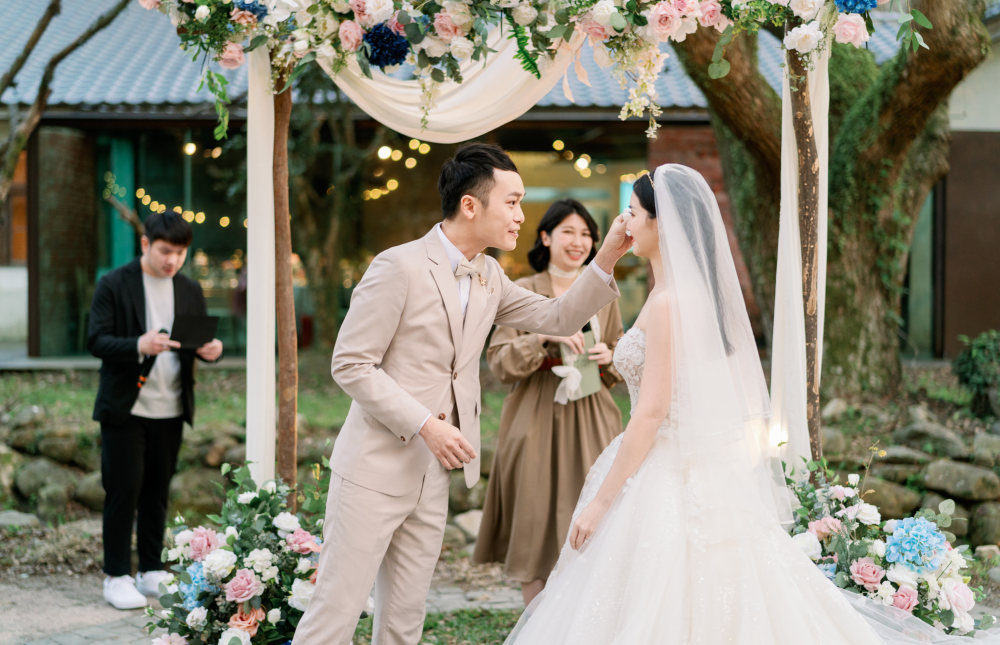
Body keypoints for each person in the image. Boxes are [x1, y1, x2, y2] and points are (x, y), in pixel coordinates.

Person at [502, 165, 1000, 645]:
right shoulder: (670, 294)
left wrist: (601, 503)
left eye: (632, 211)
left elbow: (652, 414)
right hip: (673, 467)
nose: (622, 222)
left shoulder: (672, 301)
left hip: (660, 470)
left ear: (662, 223)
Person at [291, 142, 633, 645]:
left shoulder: (492, 274)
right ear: (471, 205)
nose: (521, 215)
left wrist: (607, 257)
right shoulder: (398, 266)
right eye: (512, 202)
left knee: (405, 618)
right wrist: (426, 424)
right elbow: (350, 364)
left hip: (433, 476)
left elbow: (558, 318)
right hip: (373, 469)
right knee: (336, 612)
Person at [474, 199, 625, 606]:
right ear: (546, 237)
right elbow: (499, 361)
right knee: (536, 517)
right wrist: (545, 336)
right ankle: (535, 624)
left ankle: (583, 621)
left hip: (593, 414)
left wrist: (610, 356)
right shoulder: (523, 291)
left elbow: (620, 354)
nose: (579, 242)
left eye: (586, 234)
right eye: (568, 232)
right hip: (535, 414)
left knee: (593, 513)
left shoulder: (605, 294)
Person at [88, 211, 223, 610]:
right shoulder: (114, 283)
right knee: (123, 490)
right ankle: (115, 575)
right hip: (126, 407)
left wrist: (211, 351)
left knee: (157, 493)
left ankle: (150, 571)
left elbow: (197, 342)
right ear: (146, 244)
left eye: (180, 253)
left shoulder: (190, 289)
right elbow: (95, 340)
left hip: (171, 406)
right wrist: (137, 345)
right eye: (165, 251)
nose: (172, 260)